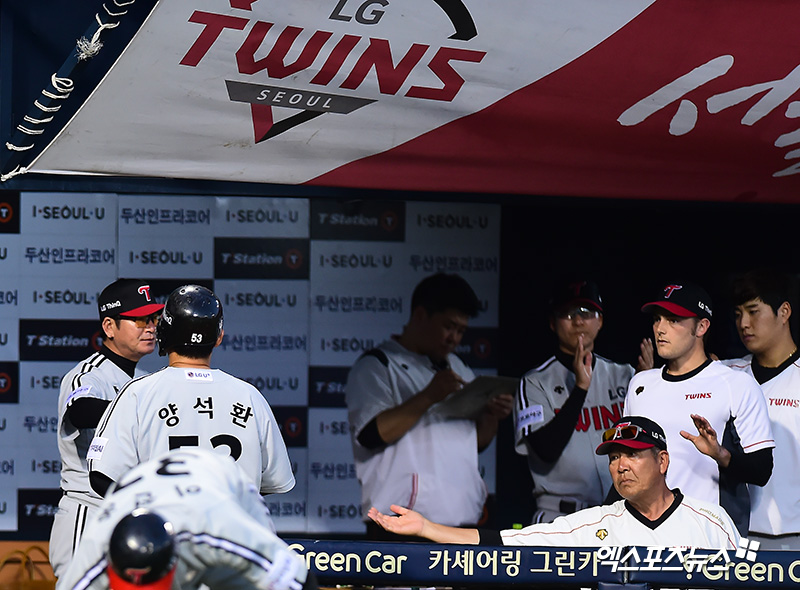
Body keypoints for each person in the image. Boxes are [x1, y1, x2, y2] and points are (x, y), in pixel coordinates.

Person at [368, 415, 739, 548]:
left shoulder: (712, 521)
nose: (620, 466)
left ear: (662, 461)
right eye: (613, 458)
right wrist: (427, 528)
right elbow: (505, 542)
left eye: (632, 455)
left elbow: (751, 577)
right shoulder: (595, 524)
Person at [345, 273, 514, 539]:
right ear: (421, 315)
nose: (454, 338)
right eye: (449, 326)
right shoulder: (378, 364)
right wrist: (428, 396)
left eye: (461, 331)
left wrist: (492, 415)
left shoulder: (459, 367)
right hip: (398, 521)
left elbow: (475, 443)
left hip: (461, 520)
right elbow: (371, 434)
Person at [87, 284, 294, 499]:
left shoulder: (138, 394)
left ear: (163, 333)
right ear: (219, 337)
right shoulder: (250, 396)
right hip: (232, 519)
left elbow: (102, 476)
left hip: (166, 519)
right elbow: (275, 481)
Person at [623, 280, 774, 535]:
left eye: (673, 320)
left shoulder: (735, 384)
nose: (660, 329)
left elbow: (762, 470)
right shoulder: (640, 384)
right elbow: (626, 460)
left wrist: (720, 454)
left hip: (709, 535)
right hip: (644, 534)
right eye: (657, 319)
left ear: (702, 326)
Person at [57, 448, 316, 590]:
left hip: (221, 485)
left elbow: (297, 578)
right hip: (152, 491)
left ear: (174, 561)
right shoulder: (96, 546)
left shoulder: (216, 526)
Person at [51, 278, 164, 578]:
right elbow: (80, 410)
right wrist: (136, 412)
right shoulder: (89, 373)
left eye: (153, 319)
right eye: (139, 320)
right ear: (109, 327)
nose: (150, 327)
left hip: (132, 514)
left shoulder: (147, 381)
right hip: (89, 510)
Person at [514, 279, 652, 522]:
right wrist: (580, 389)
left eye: (586, 313)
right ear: (553, 323)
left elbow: (649, 443)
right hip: (560, 516)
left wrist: (648, 391)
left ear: (600, 321)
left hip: (619, 514)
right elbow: (545, 450)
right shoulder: (534, 382)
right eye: (568, 314)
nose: (578, 321)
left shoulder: (624, 375)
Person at [722, 269, 800, 549]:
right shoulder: (724, 375)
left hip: (792, 537)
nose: (744, 323)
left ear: (784, 312)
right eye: (737, 314)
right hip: (729, 535)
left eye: (753, 311)